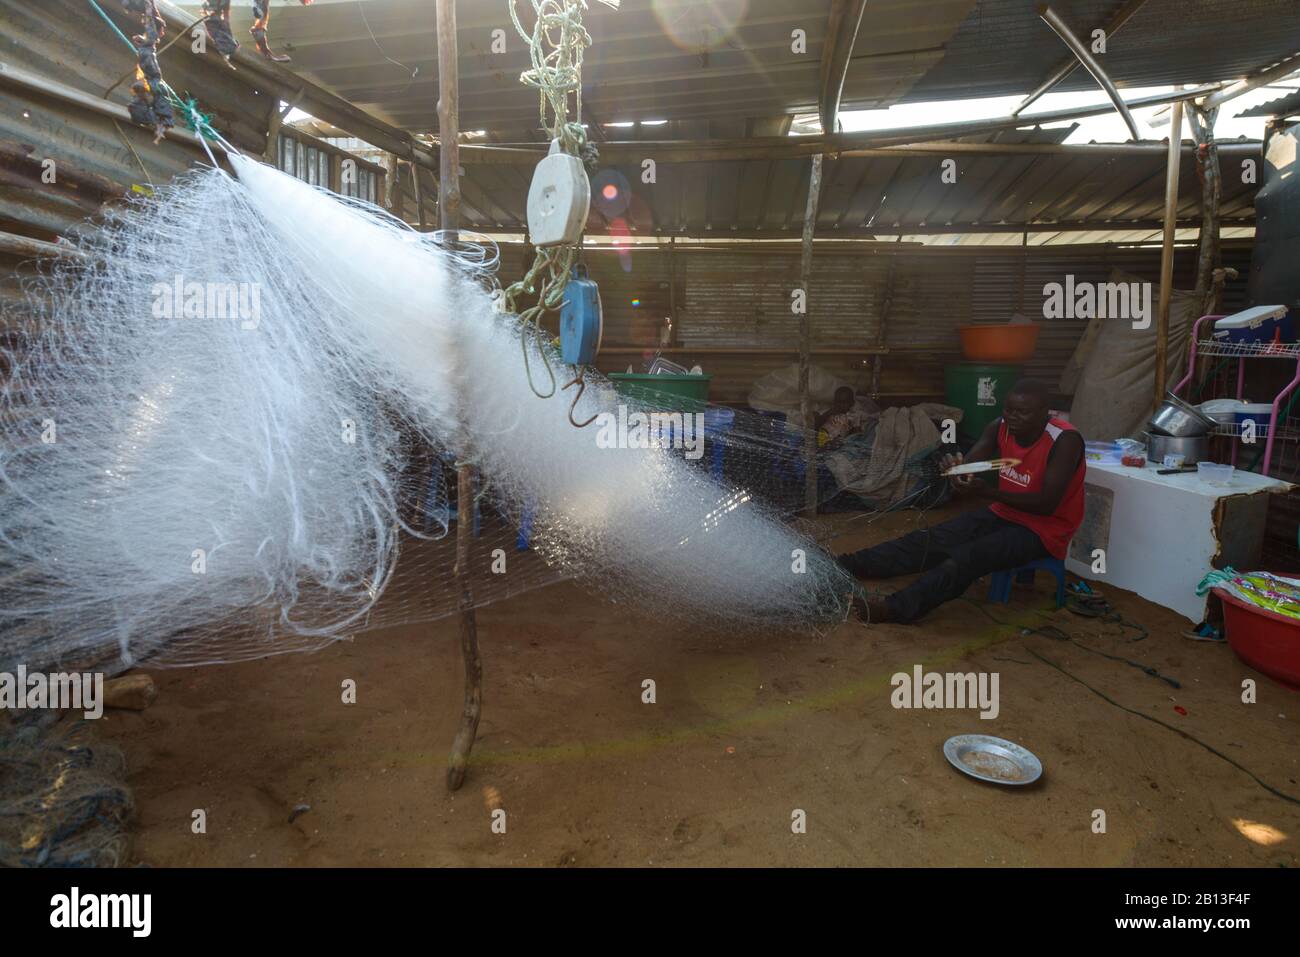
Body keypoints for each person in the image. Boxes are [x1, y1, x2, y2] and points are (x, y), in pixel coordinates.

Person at [839, 378, 1085, 624]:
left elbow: (1046, 504)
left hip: (1045, 530)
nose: (1013, 417)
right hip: (1005, 512)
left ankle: (895, 609)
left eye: (1023, 412)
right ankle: (847, 564)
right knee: (928, 539)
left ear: (1045, 413)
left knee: (969, 557)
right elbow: (969, 467)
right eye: (1009, 409)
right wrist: (958, 473)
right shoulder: (1000, 426)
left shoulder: (1065, 440)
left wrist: (986, 492)